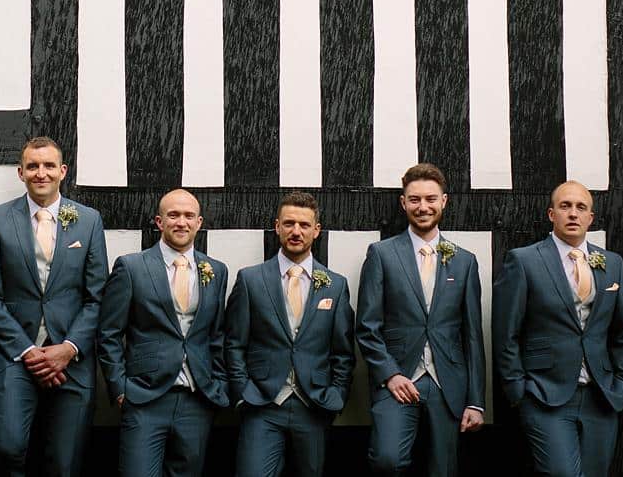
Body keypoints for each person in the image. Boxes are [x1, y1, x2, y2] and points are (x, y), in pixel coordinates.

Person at [0, 136, 108, 477]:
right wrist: (28, 351)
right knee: (7, 449)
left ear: (62, 171)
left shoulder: (89, 221)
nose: (41, 173)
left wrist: (69, 347)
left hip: (72, 358)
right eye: (33, 166)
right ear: (21, 173)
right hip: (15, 354)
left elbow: (97, 296)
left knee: (65, 463)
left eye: (49, 165)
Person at [493, 181, 623, 477]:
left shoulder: (612, 264)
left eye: (580, 207)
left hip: (602, 396)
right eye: (565, 206)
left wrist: (622, 383)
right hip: (545, 395)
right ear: (551, 214)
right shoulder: (524, 261)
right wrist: (519, 390)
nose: (573, 213)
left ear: (590, 218)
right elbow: (505, 333)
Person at [356, 164, 484, 476]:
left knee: (444, 469)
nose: (423, 207)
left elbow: (472, 335)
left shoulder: (465, 261)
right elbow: (367, 327)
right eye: (414, 200)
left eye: (430, 199)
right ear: (403, 203)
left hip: (449, 382)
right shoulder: (382, 254)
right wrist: (390, 375)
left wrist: (476, 401)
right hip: (398, 378)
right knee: (387, 460)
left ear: (444, 201)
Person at [98, 188, 230, 477]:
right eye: (173, 215)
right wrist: (120, 389)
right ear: (159, 222)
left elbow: (216, 335)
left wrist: (217, 385)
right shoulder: (131, 267)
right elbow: (109, 333)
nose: (181, 222)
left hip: (198, 399)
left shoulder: (216, 271)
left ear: (199, 222)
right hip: (145, 398)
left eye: (188, 216)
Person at [225, 191, 355, 477]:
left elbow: (343, 352)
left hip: (314, 405)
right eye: (289, 223)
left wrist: (335, 396)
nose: (296, 231)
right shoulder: (250, 279)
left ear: (316, 230)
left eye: (304, 225)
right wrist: (243, 393)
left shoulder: (335, 284)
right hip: (262, 404)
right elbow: (233, 343)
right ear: (277, 226)